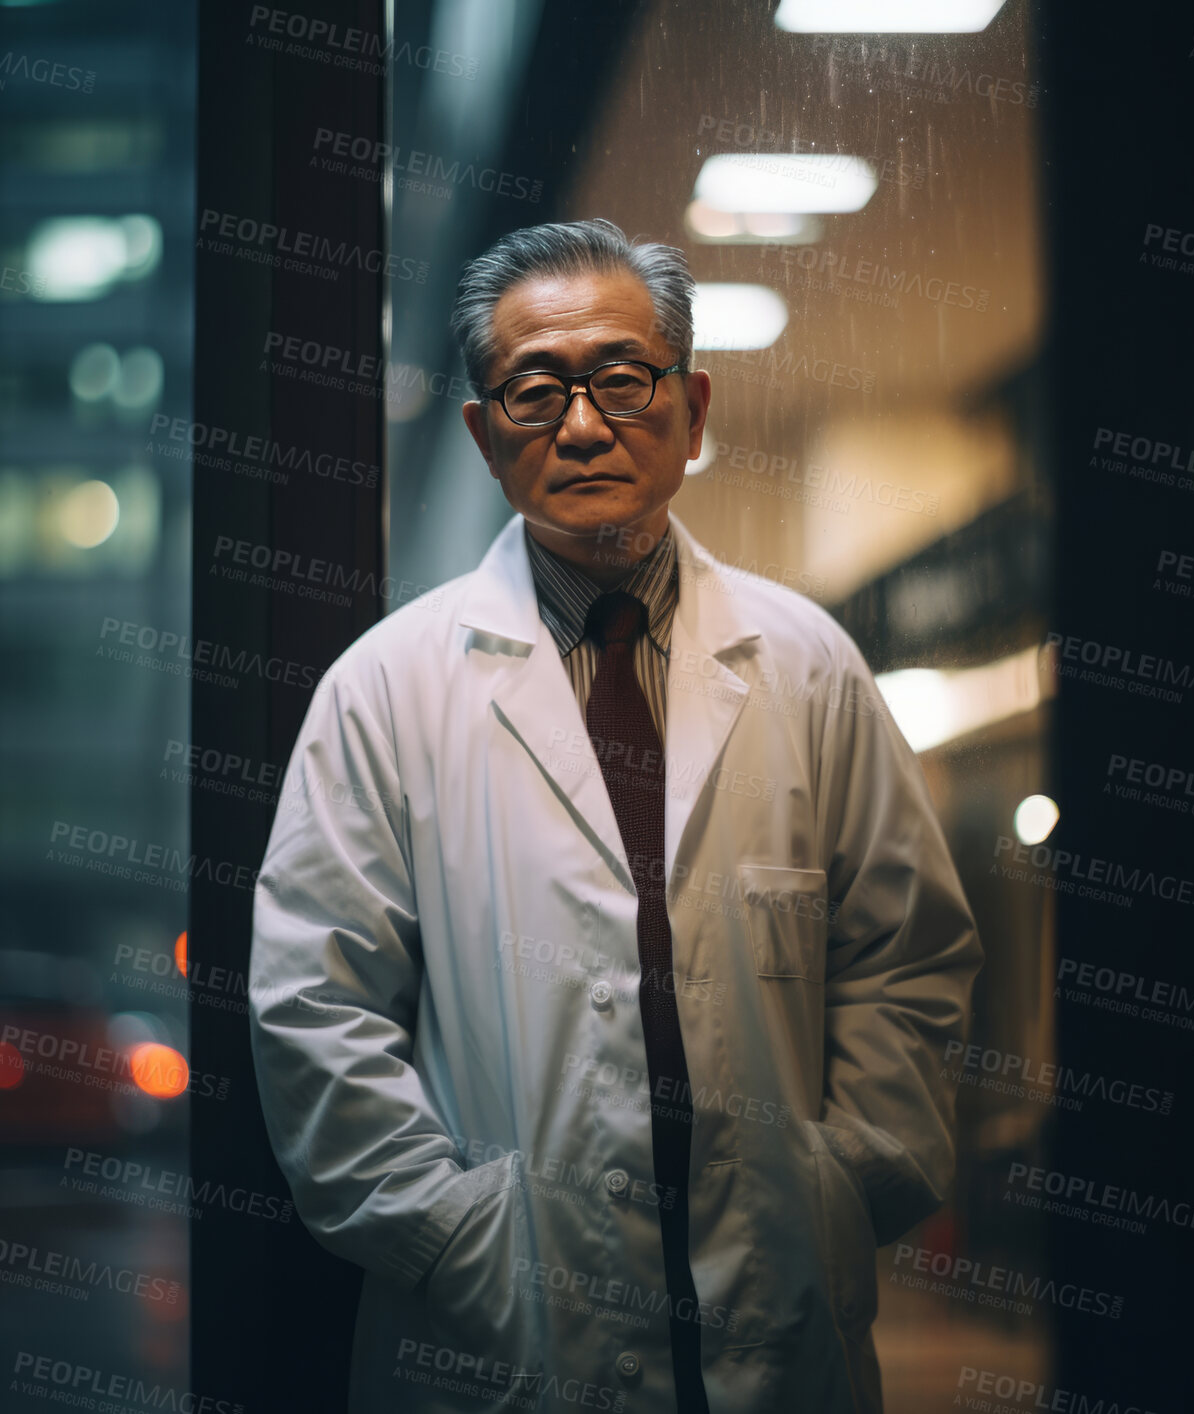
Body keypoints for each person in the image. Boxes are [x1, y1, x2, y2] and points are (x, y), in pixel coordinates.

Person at [249, 218, 983, 1413]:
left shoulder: (807, 665)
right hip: (503, 1326)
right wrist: (448, 1237)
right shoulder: (386, 688)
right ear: (486, 436)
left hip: (775, 1301)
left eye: (620, 381)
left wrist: (843, 1179)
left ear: (691, 412)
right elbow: (313, 1007)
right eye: (534, 391)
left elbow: (909, 959)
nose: (581, 425)